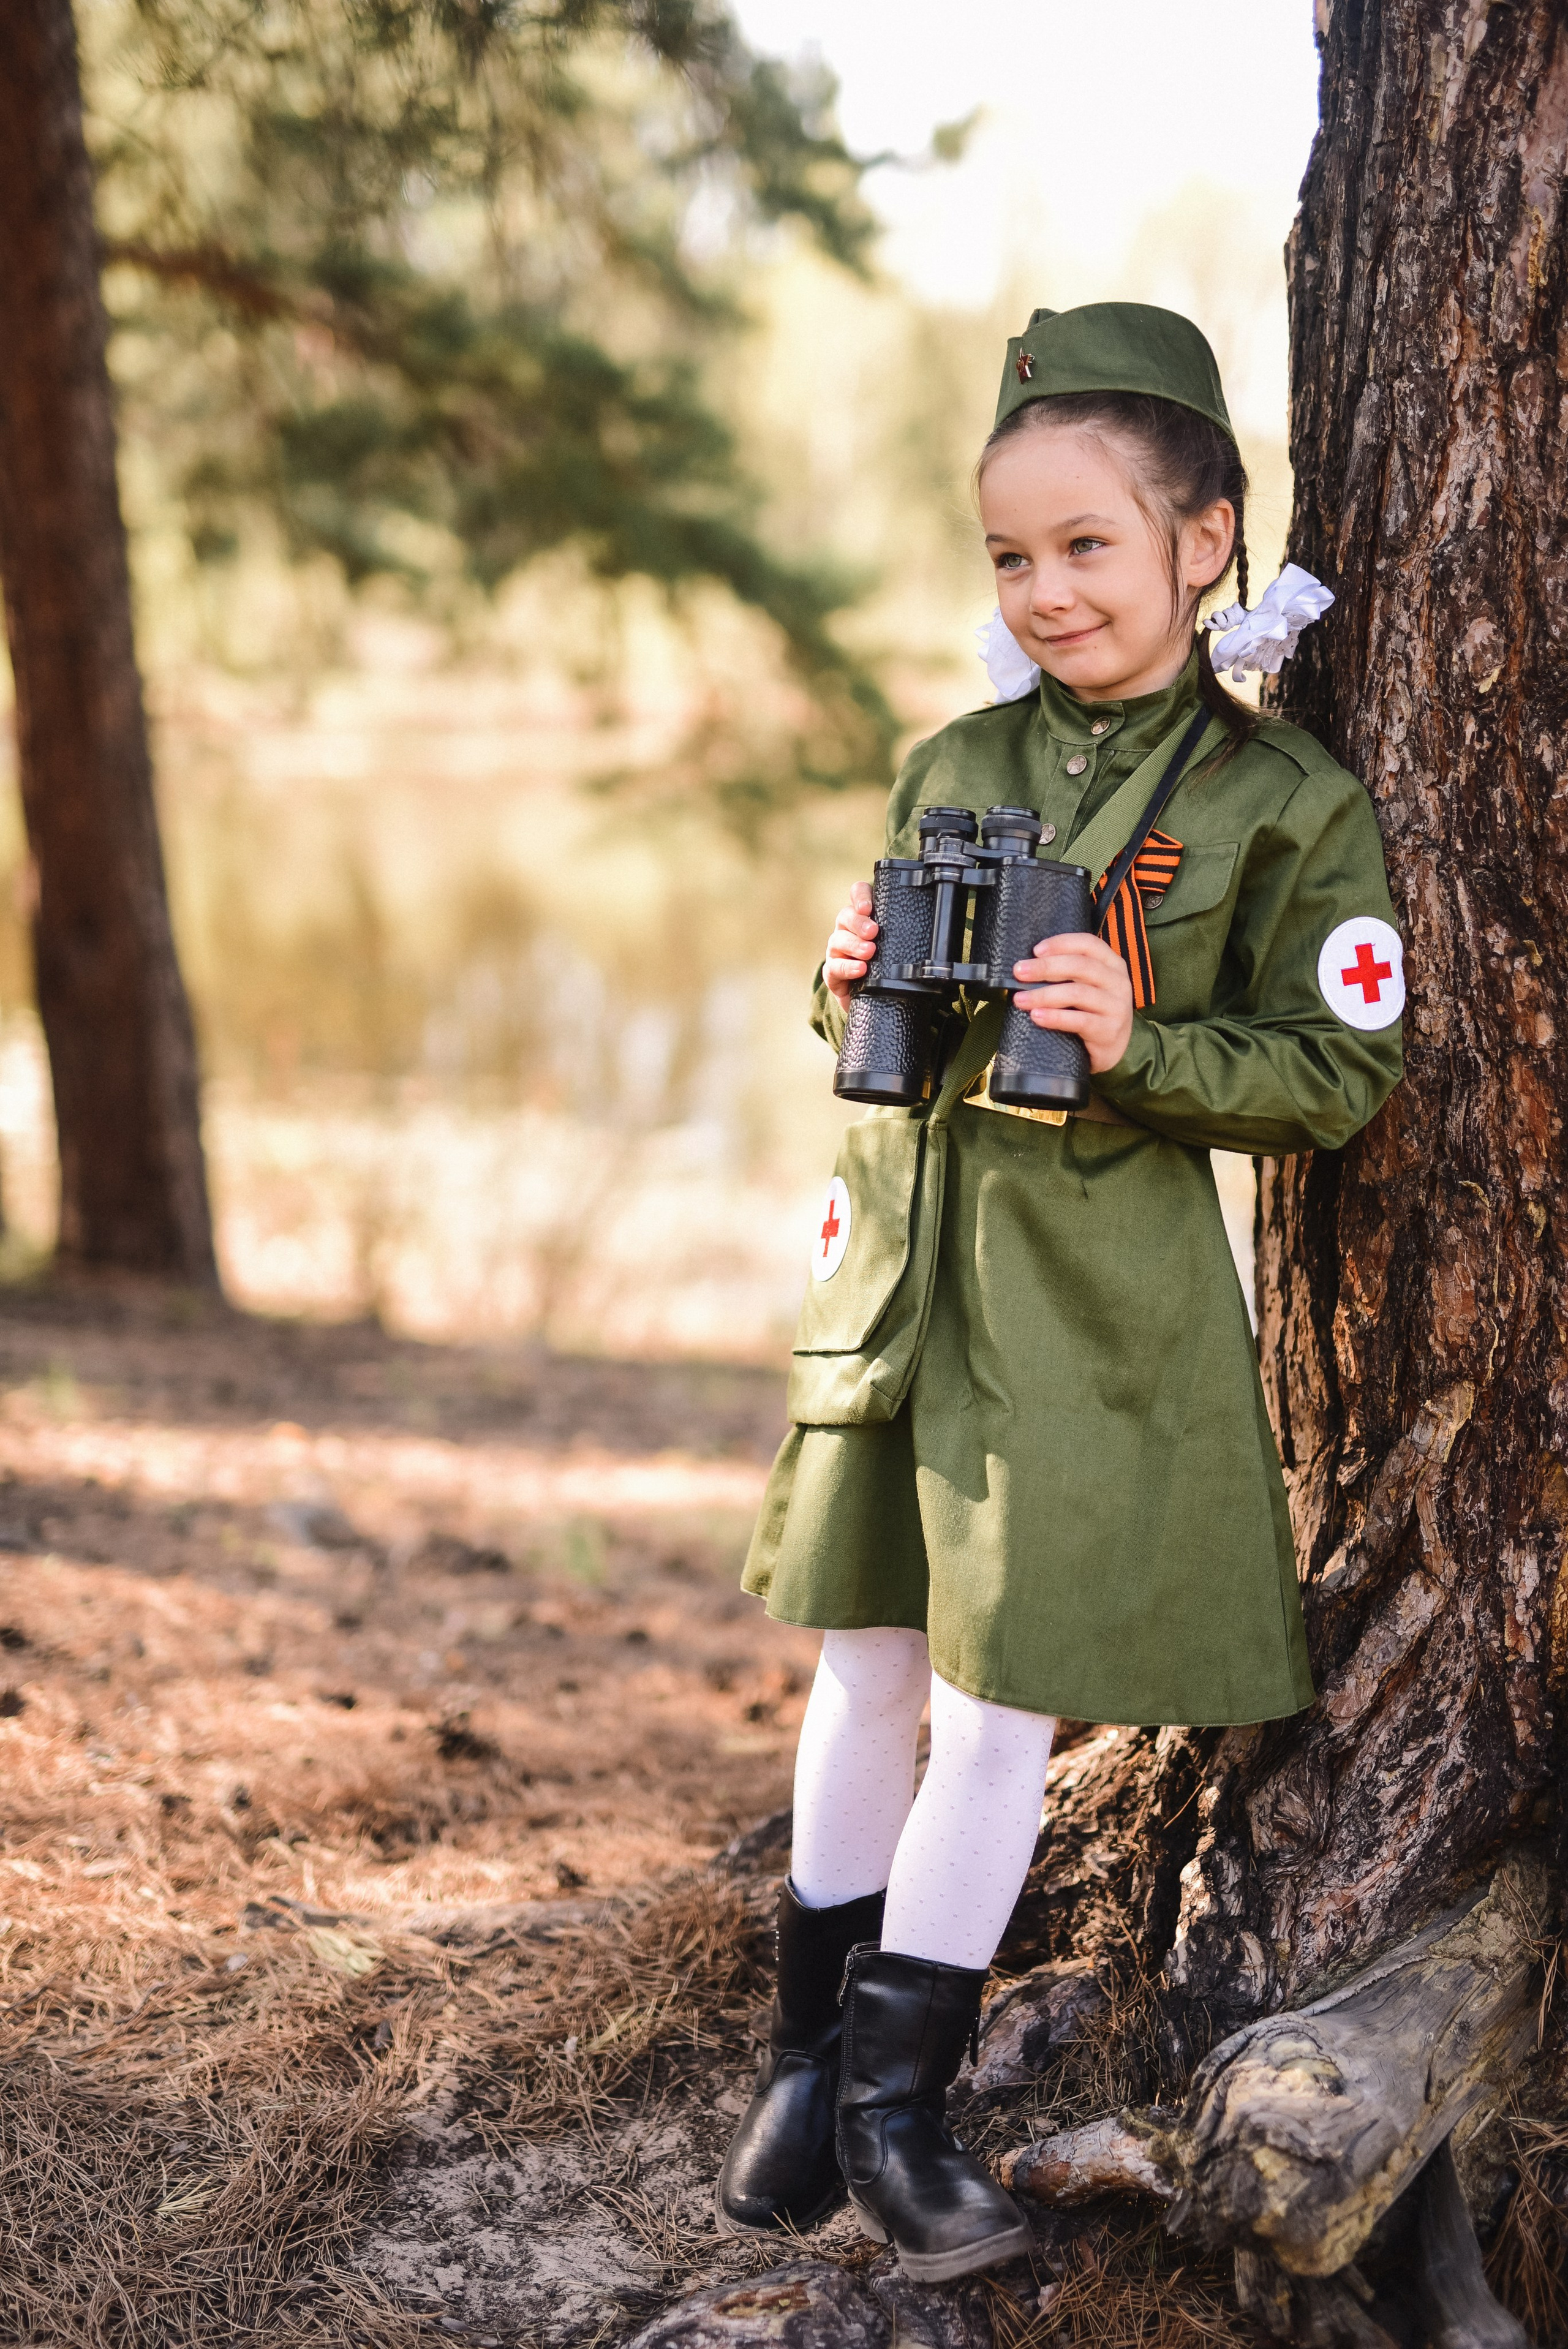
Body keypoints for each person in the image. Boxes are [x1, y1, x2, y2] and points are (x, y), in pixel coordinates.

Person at [716, 303, 1404, 2283]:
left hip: (1088, 1321)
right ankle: (798, 2056)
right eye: (1011, 557)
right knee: (862, 1665)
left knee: (995, 1702)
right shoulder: (959, 757)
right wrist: (846, 972)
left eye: (1088, 545)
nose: (1044, 591)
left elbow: (1344, 1068)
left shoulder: (1287, 805)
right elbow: (868, 1016)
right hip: (908, 1280)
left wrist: (1140, 1042)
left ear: (1205, 540)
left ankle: (895, 2103)